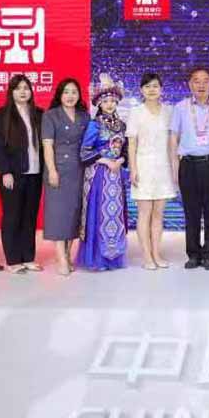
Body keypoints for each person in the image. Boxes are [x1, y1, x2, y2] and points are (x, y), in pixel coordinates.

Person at [170, 68, 209, 271]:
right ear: (190, 85)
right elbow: (173, 138)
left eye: (205, 81)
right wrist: (175, 166)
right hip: (188, 164)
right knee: (191, 212)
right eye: (196, 81)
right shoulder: (180, 108)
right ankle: (193, 254)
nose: (201, 85)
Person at [0, 75, 44, 274]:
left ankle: (28, 257)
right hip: (13, 174)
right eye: (18, 88)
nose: (23, 92)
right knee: (12, 216)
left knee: (30, 216)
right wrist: (4, 171)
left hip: (35, 173)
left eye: (26, 88)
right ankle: (13, 259)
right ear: (11, 92)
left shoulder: (39, 114)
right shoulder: (1, 115)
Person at [76, 74, 129, 271]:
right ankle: (97, 257)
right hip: (99, 175)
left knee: (115, 215)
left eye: (112, 101)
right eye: (105, 101)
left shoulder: (122, 125)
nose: (109, 104)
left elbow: (125, 150)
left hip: (116, 176)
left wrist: (120, 160)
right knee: (99, 215)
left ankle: (113, 257)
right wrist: (106, 160)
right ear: (99, 103)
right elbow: (84, 151)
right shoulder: (94, 124)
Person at [127, 73, 176, 270]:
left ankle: (156, 253)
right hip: (143, 167)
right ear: (141, 90)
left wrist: (175, 168)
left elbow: (173, 143)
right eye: (147, 86)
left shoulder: (169, 111)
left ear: (161, 89)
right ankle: (147, 256)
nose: (151, 90)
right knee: (144, 213)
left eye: (155, 86)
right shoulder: (136, 112)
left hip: (163, 168)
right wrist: (133, 169)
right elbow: (132, 143)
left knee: (158, 214)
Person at [41, 78, 90, 276]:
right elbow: (47, 146)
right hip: (59, 170)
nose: (70, 96)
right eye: (66, 92)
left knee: (74, 214)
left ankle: (69, 254)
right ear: (60, 95)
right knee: (58, 215)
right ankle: (61, 258)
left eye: (74, 92)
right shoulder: (50, 116)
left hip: (80, 170)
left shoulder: (84, 116)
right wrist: (52, 170)